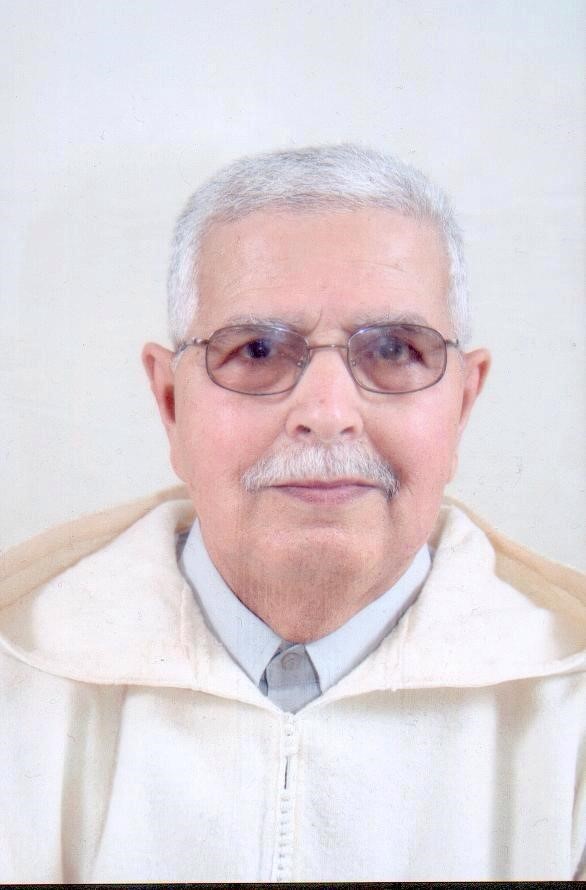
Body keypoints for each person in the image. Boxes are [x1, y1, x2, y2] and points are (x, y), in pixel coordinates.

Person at [1, 144, 584, 882]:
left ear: (463, 404)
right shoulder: (19, 684)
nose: (328, 413)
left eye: (395, 349)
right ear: (171, 403)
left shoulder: (569, 714)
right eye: (256, 349)